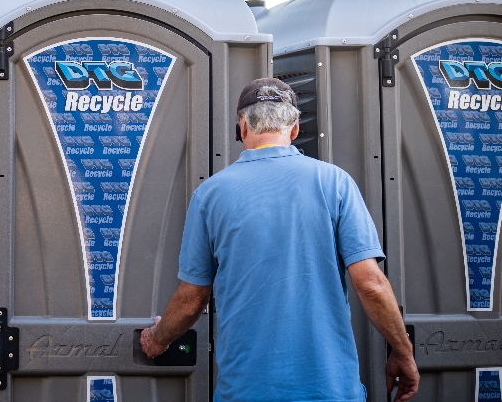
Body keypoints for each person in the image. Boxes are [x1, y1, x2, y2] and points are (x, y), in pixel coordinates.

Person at [140, 78, 419, 402]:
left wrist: (157, 339)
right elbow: (370, 284)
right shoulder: (335, 183)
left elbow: (191, 301)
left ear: (242, 126)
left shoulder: (210, 195)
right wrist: (403, 352)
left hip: (247, 393)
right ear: (295, 127)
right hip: (330, 392)